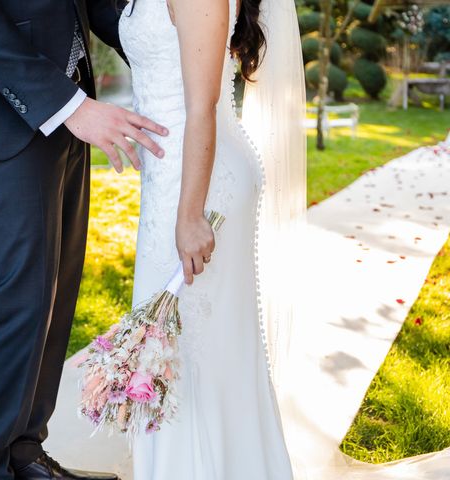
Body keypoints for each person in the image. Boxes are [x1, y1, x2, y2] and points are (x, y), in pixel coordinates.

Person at [0, 1, 169, 479]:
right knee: (21, 300)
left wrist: (166, 37)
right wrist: (68, 106)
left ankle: (23, 453)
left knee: (54, 295)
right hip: (5, 106)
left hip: (68, 105)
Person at [118, 0, 307, 477]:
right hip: (175, 176)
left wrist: (188, 215)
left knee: (189, 356)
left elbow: (201, 104)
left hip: (199, 186)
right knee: (181, 355)